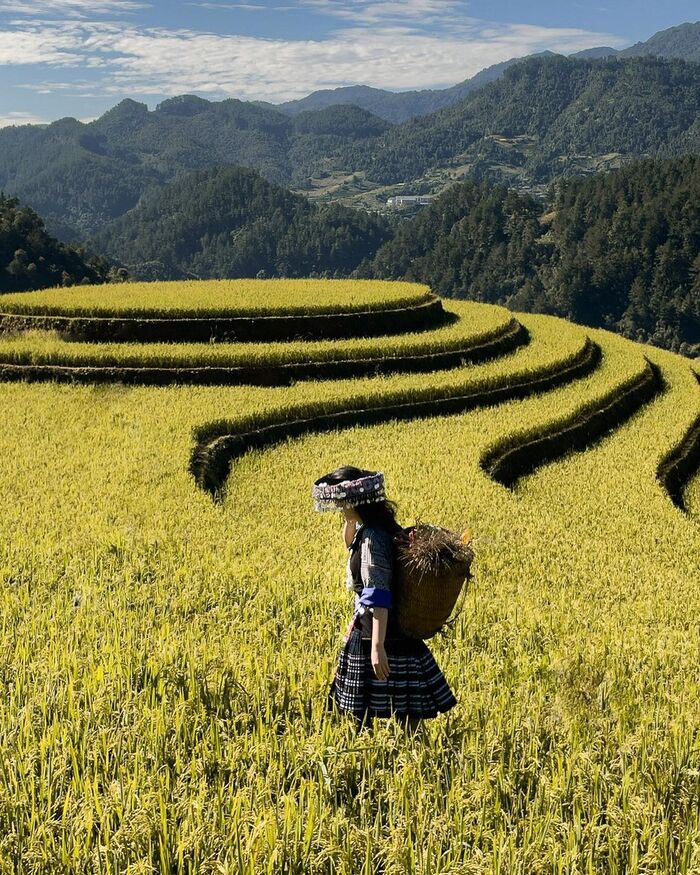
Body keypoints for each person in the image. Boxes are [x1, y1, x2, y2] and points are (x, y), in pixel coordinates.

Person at [313, 466, 457, 732]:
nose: (340, 508)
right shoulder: (384, 528)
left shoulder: (372, 538)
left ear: (356, 503)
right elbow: (350, 545)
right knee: (408, 716)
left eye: (343, 503)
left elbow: (378, 592)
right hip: (401, 632)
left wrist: (377, 647)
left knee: (360, 715)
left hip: (375, 632)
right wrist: (350, 520)